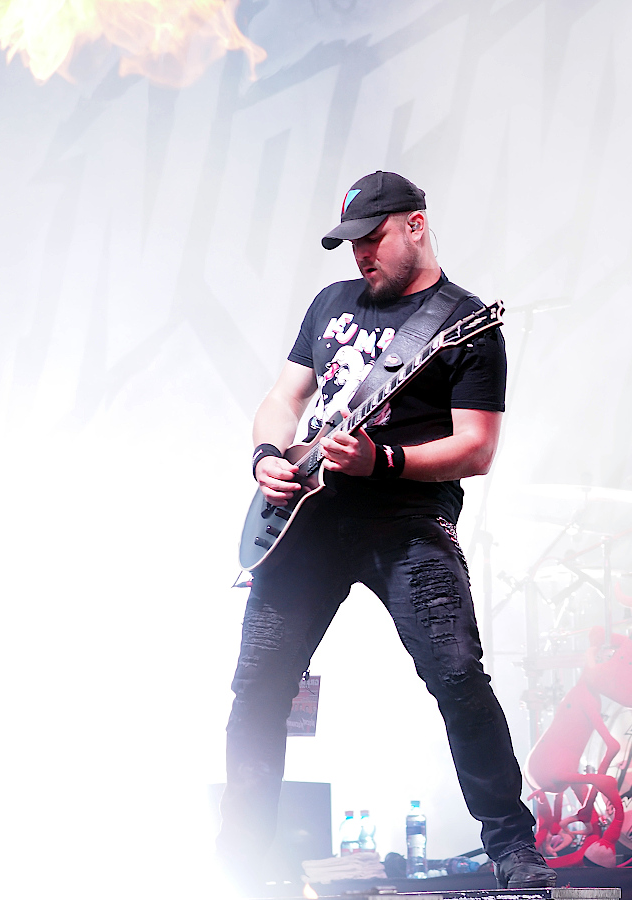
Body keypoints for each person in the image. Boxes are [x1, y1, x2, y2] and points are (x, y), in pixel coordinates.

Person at [217, 171, 556, 889]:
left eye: (373, 238)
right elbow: (284, 397)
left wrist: (386, 460)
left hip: (406, 520)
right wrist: (267, 455)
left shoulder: (466, 323)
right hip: (307, 518)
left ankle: (512, 845)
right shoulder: (330, 303)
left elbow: (477, 448)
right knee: (257, 688)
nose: (361, 255)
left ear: (416, 226)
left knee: (457, 676)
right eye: (352, 243)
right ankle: (239, 865)